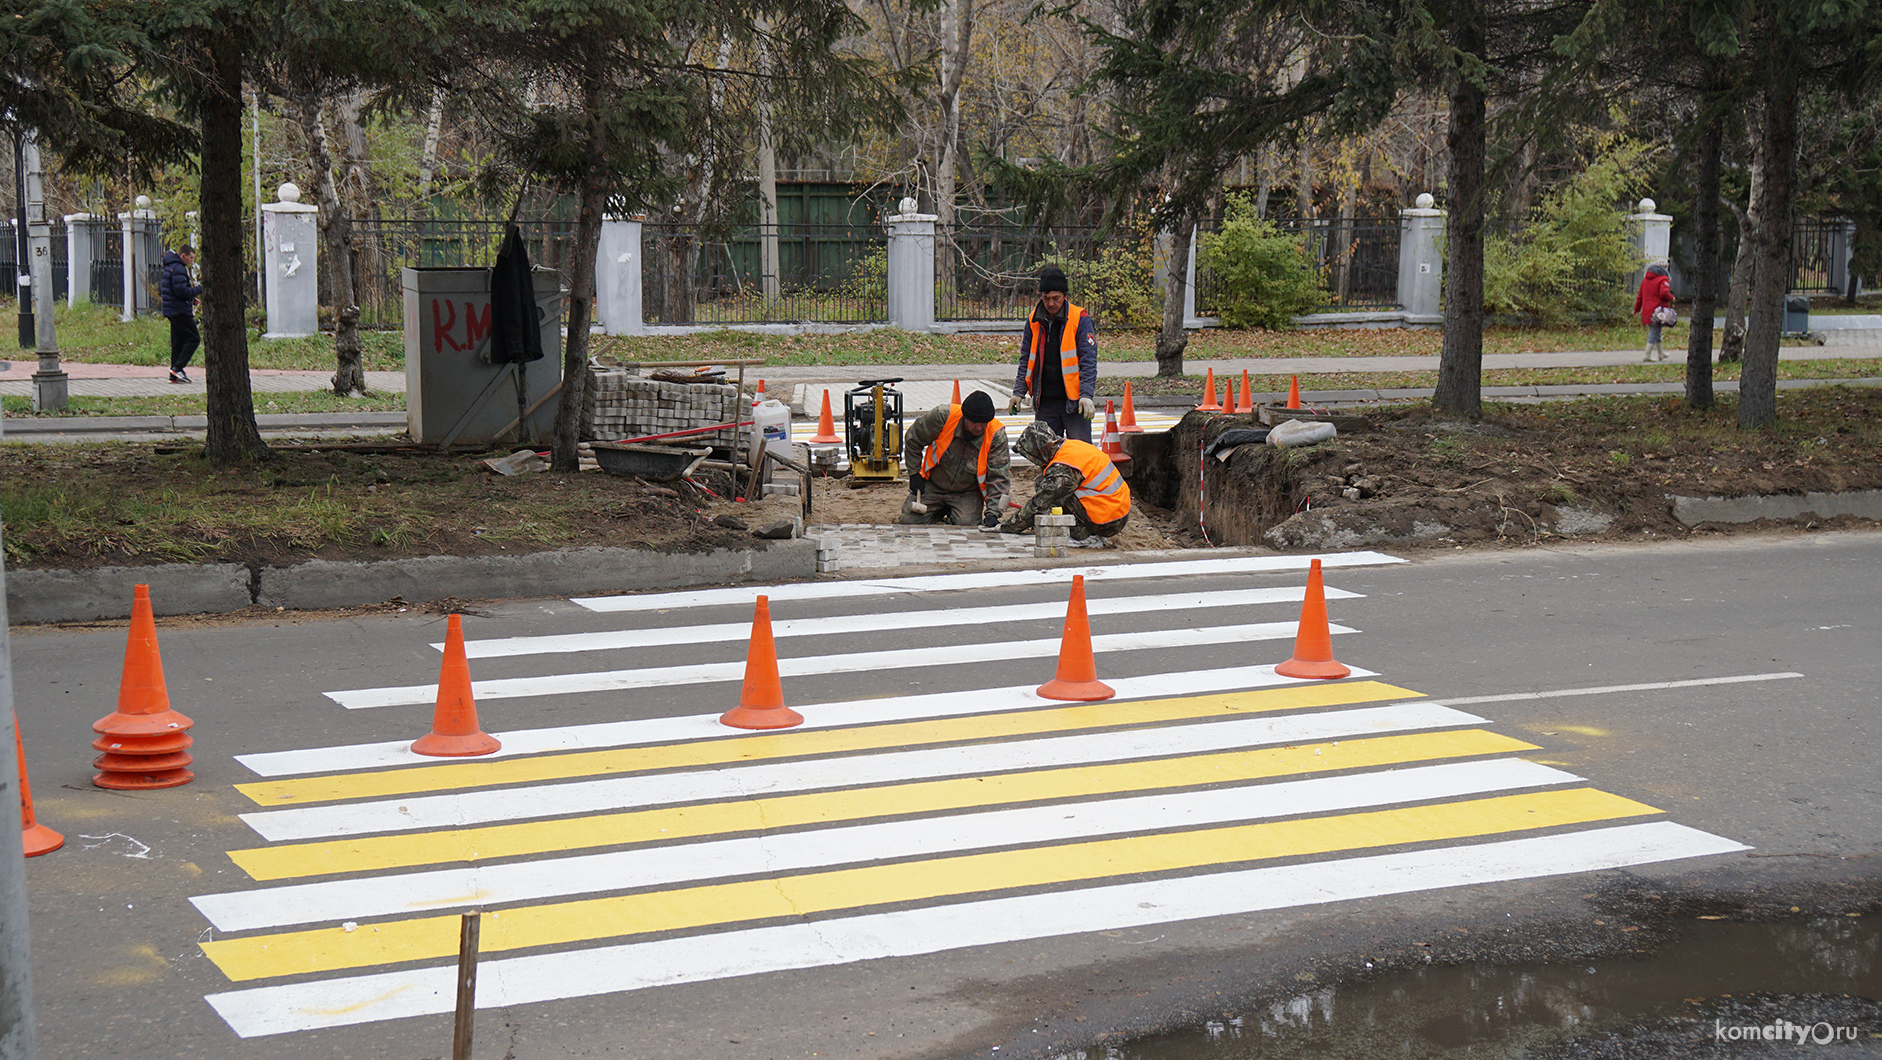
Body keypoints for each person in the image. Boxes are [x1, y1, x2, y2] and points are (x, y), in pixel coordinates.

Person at [999, 421, 1130, 546]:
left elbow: (1040, 505)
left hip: (1108, 522)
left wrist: (1007, 526)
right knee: (1044, 483)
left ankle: (1085, 536)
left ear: (1040, 451)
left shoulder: (1063, 469)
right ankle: (1089, 530)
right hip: (1116, 511)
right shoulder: (1071, 447)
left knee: (1051, 496)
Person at [1010, 264, 1098, 444]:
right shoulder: (1034, 320)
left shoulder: (1080, 319)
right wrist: (1018, 392)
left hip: (1074, 404)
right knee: (1047, 455)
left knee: (1080, 455)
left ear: (1065, 296)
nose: (1050, 303)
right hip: (1046, 404)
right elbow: (1026, 359)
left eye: (1056, 298)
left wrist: (1086, 396)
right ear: (1040, 296)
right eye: (1046, 298)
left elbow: (1088, 361)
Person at [899, 389, 1011, 527]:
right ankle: (938, 512)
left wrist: (993, 513)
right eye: (974, 422)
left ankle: (951, 515)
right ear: (965, 417)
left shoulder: (996, 436)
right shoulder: (943, 417)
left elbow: (999, 476)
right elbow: (913, 439)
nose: (979, 428)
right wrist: (914, 473)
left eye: (984, 423)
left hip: (966, 492)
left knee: (967, 524)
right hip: (933, 486)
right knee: (908, 521)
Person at [160, 246, 204, 383]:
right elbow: (181, 291)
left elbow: (176, 290)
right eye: (190, 257)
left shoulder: (170, 266)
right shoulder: (179, 268)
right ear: (183, 255)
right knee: (194, 338)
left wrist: (191, 298)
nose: (191, 260)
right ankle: (178, 367)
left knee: (178, 342)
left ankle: (174, 375)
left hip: (172, 309)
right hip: (179, 310)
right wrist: (199, 289)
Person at [1634, 261, 1675, 363]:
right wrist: (1671, 297)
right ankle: (1647, 355)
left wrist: (1637, 310)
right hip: (1658, 311)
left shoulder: (1645, 279)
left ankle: (1661, 354)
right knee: (1654, 331)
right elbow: (1664, 293)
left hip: (1647, 311)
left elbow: (1640, 296)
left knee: (1657, 331)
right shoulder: (1663, 279)